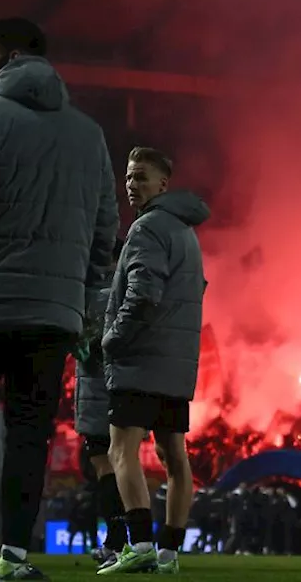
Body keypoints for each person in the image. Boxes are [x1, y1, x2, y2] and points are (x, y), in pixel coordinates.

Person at [0, 18, 118, 580]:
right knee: (30, 430)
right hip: (51, 313)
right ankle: (15, 554)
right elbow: (106, 227)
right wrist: (82, 298)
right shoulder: (89, 135)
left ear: (11, 57)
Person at [98, 147, 210, 576]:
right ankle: (168, 553)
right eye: (128, 177)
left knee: (120, 449)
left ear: (164, 184)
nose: (131, 184)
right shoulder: (186, 233)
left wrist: (113, 339)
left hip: (140, 358)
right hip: (176, 365)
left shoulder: (147, 229)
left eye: (141, 177)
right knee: (174, 456)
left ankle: (141, 543)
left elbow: (143, 295)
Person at [73, 238, 126, 569]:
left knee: (105, 464)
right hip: (124, 386)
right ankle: (126, 540)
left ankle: (116, 542)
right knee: (120, 462)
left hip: (97, 390)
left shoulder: (91, 293)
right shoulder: (125, 290)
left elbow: (84, 345)